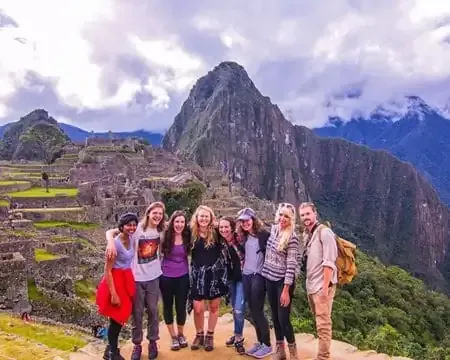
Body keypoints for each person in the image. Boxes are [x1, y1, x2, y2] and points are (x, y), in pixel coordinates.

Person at [106, 202, 166, 360]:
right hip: (137, 278)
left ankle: (153, 341)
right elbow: (112, 231)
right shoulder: (137, 228)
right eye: (155, 213)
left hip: (153, 276)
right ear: (148, 213)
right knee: (137, 313)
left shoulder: (162, 230)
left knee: (153, 310)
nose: (157, 216)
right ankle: (137, 344)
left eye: (160, 214)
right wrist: (110, 242)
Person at [298, 202, 338, 360]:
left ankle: (323, 357)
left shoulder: (325, 233)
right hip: (311, 285)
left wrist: (325, 288)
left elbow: (329, 262)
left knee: (323, 324)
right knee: (319, 320)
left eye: (308, 214)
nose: (305, 218)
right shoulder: (308, 234)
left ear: (315, 213)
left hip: (322, 286)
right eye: (302, 215)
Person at [97, 213, 138, 360]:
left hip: (126, 279)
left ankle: (110, 350)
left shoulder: (131, 237)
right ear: (122, 226)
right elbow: (107, 270)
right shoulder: (115, 245)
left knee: (121, 316)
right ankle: (112, 353)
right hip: (116, 281)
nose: (132, 227)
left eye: (134, 225)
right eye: (129, 225)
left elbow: (111, 231)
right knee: (116, 318)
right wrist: (114, 294)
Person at [261, 203, 299, 360]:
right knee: (275, 316)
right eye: (281, 215)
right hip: (269, 278)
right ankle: (280, 350)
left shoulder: (292, 237)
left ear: (291, 219)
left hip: (283, 282)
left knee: (284, 318)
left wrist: (286, 290)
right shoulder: (274, 229)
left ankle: (293, 353)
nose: (283, 218)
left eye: (287, 216)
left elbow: (291, 265)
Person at [189, 205, 228, 352]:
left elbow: (232, 235)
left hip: (215, 274)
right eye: (201, 216)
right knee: (198, 308)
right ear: (197, 218)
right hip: (197, 275)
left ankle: (210, 335)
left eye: (207, 216)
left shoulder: (217, 232)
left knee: (213, 306)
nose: (204, 219)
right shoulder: (191, 232)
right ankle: (199, 334)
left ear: (211, 218)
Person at [236, 207, 272, 359]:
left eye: (247, 220)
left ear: (253, 220)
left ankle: (267, 345)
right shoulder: (244, 236)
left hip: (259, 275)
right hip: (246, 275)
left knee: (258, 309)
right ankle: (259, 342)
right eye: (242, 221)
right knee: (251, 309)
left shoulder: (263, 235)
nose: (245, 223)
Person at [159, 210, 191, 351]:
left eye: (182, 222)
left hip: (183, 276)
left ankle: (181, 334)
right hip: (166, 276)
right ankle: (173, 336)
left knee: (180, 307)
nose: (179, 224)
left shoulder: (188, 235)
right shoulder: (165, 236)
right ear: (172, 222)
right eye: (177, 221)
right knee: (168, 306)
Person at [219, 216, 246, 355]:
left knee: (239, 309)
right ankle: (237, 334)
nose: (224, 230)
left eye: (226, 227)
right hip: (230, 279)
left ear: (232, 227)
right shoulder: (220, 242)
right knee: (235, 308)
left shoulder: (240, 239)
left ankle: (239, 339)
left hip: (243, 278)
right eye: (221, 227)